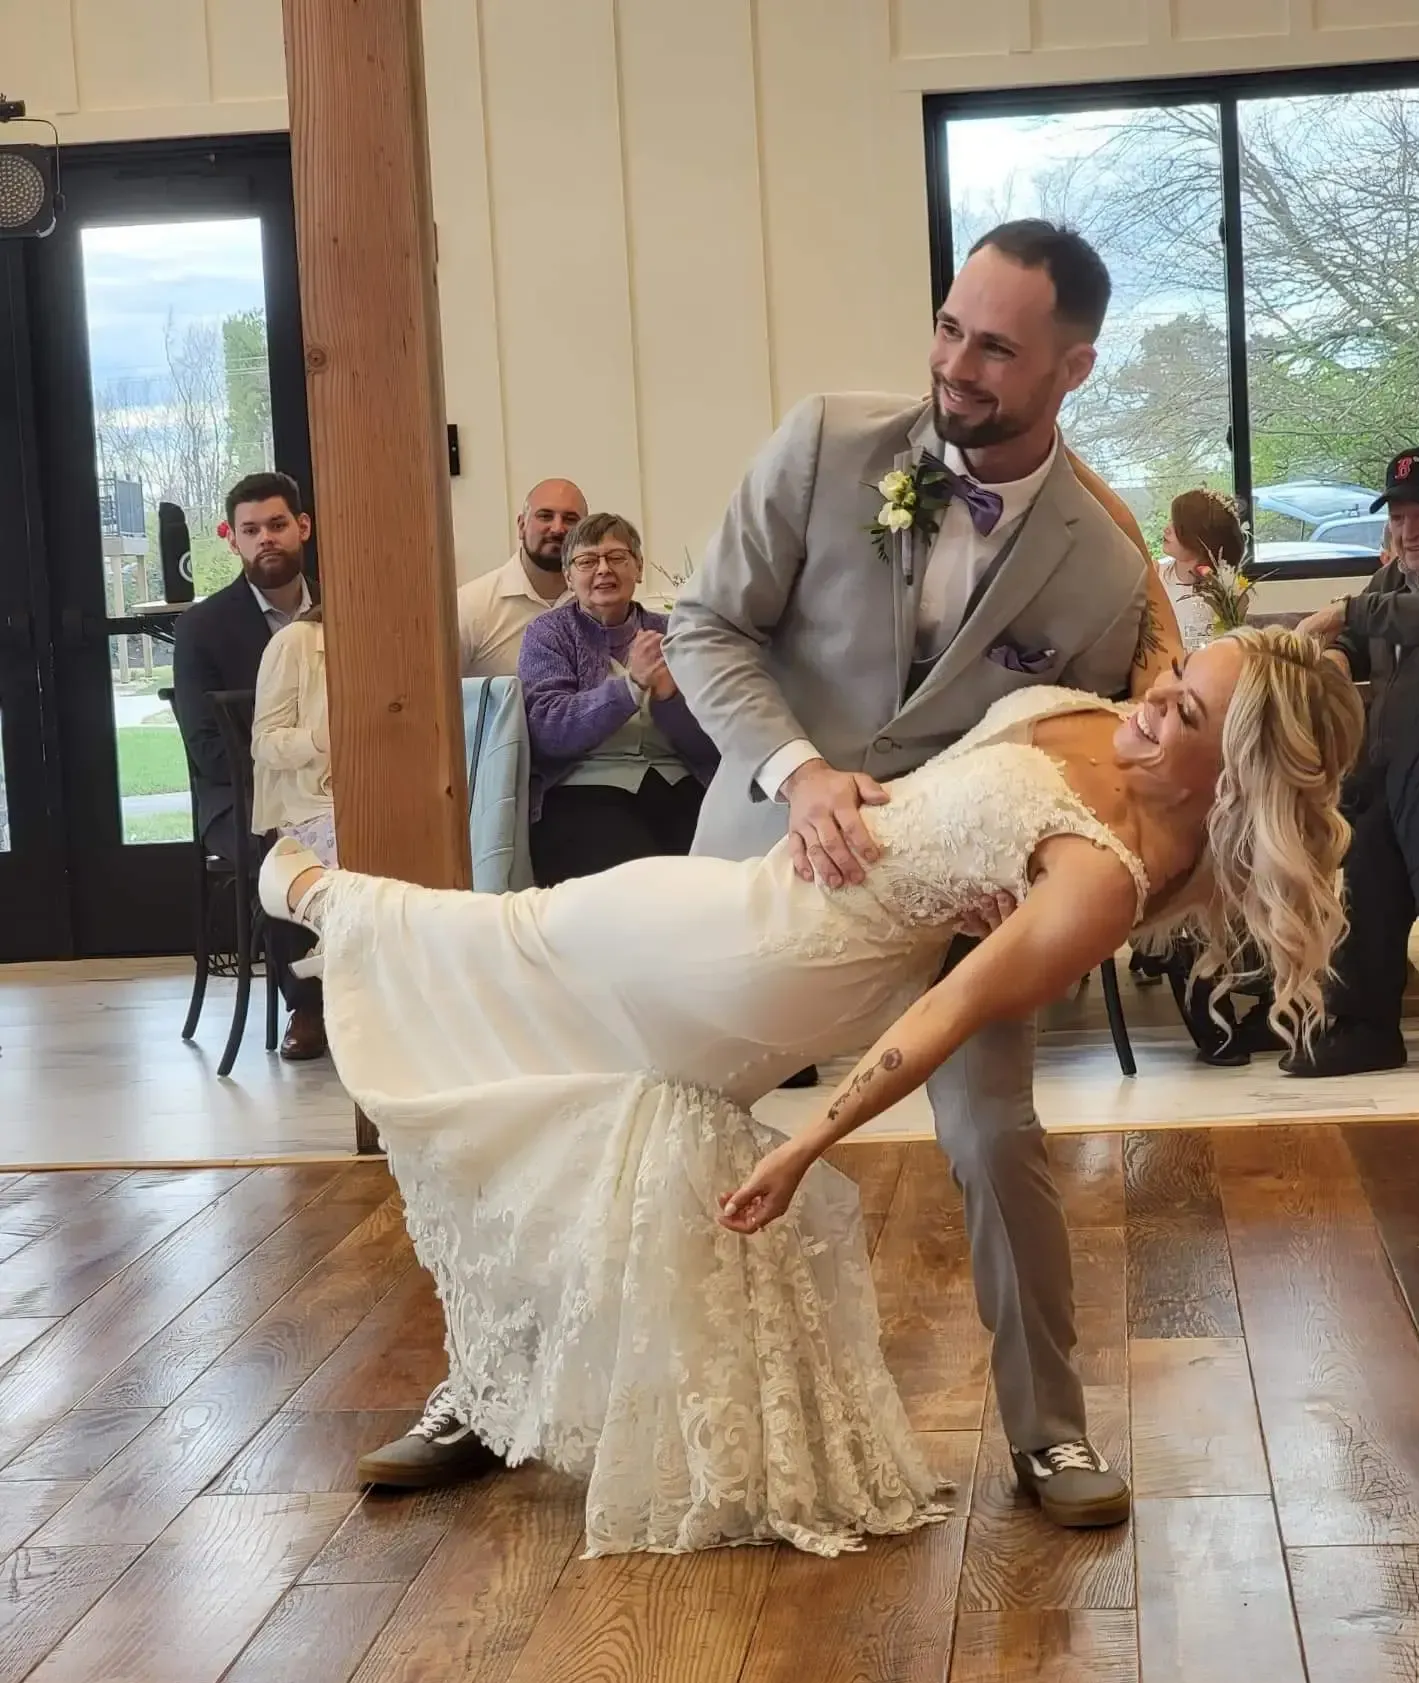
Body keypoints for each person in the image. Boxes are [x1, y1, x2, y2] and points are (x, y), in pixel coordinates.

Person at [258, 629, 1362, 1556]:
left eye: (1183, 712)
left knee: (510, 946)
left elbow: (943, 1016)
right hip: (753, 894)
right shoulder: (1121, 727)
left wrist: (802, 1146)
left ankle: (310, 886)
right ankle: (492, 1390)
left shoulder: (1102, 880)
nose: (1152, 703)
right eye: (1171, 681)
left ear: (1231, 773)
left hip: (783, 958)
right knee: (571, 1090)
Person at [662, 219, 1183, 1532]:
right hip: (767, 854)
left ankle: (1051, 1433)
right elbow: (705, 624)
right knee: (640, 1114)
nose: (954, 364)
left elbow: (1081, 742)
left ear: (1073, 368)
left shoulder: (1105, 567)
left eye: (996, 349)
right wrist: (799, 772)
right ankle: (489, 1391)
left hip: (961, 906)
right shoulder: (824, 444)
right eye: (950, 328)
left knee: (998, 1137)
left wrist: (1027, 862)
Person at [1286, 444, 1419, 1076]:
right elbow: (1358, 636)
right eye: (1399, 518)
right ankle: (1365, 1030)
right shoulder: (1393, 579)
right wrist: (1337, 657)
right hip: (1389, 777)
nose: (1410, 532)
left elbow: (1414, 618)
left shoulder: (1402, 596)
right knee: (1366, 894)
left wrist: (1345, 611)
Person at [171, 472, 326, 1062]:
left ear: (302, 527)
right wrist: (287, 784)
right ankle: (309, 1005)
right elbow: (207, 748)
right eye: (251, 529)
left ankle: (383, 991)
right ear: (231, 538)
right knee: (284, 847)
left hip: (333, 785)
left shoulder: (348, 607)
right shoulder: (202, 628)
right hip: (239, 796)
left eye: (278, 525)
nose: (266, 539)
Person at [522, 514, 718, 886]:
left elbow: (713, 743)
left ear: (638, 567)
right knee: (639, 887)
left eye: (616, 557)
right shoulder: (549, 633)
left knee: (714, 880)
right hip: (583, 789)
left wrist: (669, 697)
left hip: (679, 784)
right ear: (568, 577)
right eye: (587, 561)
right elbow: (548, 731)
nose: (603, 569)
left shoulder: (674, 632)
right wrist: (630, 687)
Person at [456, 478, 588, 677]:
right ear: (521, 525)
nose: (557, 528)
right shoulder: (470, 606)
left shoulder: (601, 603)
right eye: (545, 516)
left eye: (570, 519)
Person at [251, 605, 336, 866]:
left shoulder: (399, 639)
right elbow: (263, 743)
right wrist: (317, 740)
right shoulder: (295, 641)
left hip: (385, 796)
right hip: (313, 809)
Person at [1160, 489, 1248, 652]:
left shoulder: (1228, 593)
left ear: (1200, 538)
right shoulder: (1153, 575)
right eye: (1171, 521)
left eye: (1178, 527)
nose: (1166, 529)